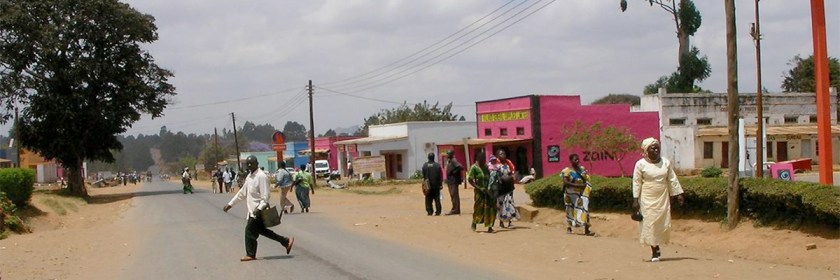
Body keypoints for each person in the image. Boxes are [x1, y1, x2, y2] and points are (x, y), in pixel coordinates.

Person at [223, 155, 294, 262]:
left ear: (257, 164)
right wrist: (230, 204)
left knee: (249, 232)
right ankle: (285, 241)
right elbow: (242, 193)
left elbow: (265, 197)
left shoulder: (261, 177)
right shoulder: (249, 177)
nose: (250, 166)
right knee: (262, 231)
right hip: (252, 211)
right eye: (248, 164)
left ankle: (250, 254)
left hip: (258, 211)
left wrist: (259, 209)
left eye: (252, 164)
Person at [632, 137, 685, 262]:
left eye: (657, 147)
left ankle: (657, 244)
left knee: (661, 223)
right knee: (650, 223)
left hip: (662, 197)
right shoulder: (640, 164)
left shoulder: (665, 162)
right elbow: (636, 182)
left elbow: (672, 179)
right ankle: (654, 250)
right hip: (647, 197)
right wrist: (635, 200)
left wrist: (678, 194)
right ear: (646, 150)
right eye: (653, 147)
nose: (656, 149)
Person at [562, 154, 593, 236]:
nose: (577, 161)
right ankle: (569, 227)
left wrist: (587, 190)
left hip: (581, 194)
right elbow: (565, 182)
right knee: (570, 210)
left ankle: (587, 229)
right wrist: (578, 186)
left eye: (578, 159)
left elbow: (587, 180)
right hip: (570, 194)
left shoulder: (582, 169)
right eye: (575, 159)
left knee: (584, 209)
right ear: (571, 160)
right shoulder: (567, 171)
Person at [489, 149, 519, 228]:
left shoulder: (508, 162)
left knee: (509, 203)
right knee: (500, 204)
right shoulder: (495, 164)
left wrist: (513, 176)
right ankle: (501, 222)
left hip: (509, 186)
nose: (503, 155)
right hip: (501, 187)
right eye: (501, 154)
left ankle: (510, 222)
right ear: (497, 155)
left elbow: (512, 171)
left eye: (504, 153)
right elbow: (494, 174)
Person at [468, 150, 495, 233]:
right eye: (482, 159)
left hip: (487, 191)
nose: (484, 161)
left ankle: (490, 226)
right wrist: (479, 188)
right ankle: (474, 223)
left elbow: (489, 177)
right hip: (479, 192)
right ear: (478, 159)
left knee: (490, 208)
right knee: (478, 208)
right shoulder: (474, 168)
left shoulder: (486, 167)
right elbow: (470, 180)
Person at [444, 150, 463, 215]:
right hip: (450, 181)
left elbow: (460, 167)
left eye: (448, 154)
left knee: (454, 195)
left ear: (451, 154)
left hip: (453, 181)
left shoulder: (453, 160)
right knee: (453, 195)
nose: (447, 155)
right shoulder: (450, 161)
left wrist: (454, 172)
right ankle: (455, 208)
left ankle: (455, 209)